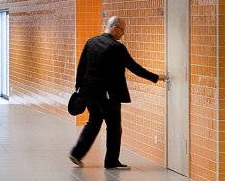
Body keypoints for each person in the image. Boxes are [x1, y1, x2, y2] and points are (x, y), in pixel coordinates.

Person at [70, 16, 164, 169]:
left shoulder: (91, 42)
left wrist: (79, 88)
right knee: (114, 127)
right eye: (122, 30)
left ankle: (76, 153)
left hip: (90, 92)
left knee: (93, 123)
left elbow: (81, 66)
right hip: (108, 95)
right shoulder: (116, 47)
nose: (123, 33)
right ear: (114, 28)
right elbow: (134, 67)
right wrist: (156, 77)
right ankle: (111, 161)